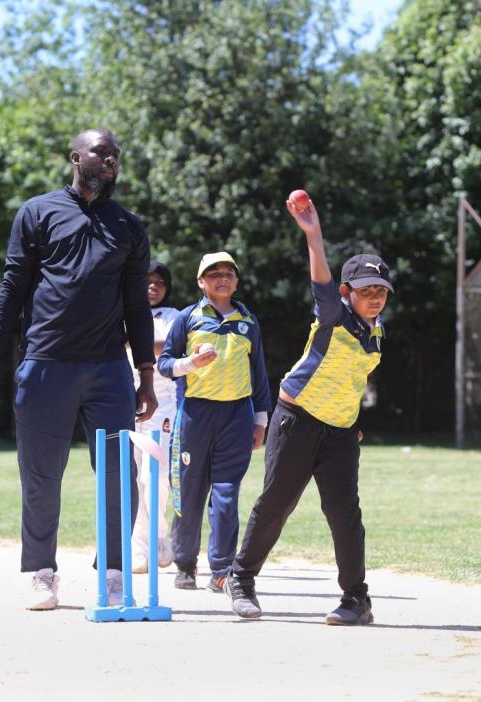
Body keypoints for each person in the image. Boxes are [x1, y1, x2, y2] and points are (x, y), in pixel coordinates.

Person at [0, 127, 157, 611]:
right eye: (102, 152)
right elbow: (13, 285)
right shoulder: (37, 212)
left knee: (118, 471)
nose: (112, 160)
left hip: (108, 369)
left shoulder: (130, 227)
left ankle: (115, 574)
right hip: (45, 363)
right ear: (77, 158)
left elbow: (138, 307)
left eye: (116, 154)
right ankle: (42, 572)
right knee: (40, 474)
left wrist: (147, 374)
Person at [224, 195, 394, 625]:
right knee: (277, 503)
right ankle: (241, 578)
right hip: (296, 420)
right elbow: (319, 275)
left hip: (338, 432)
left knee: (344, 514)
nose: (374, 299)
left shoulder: (377, 332)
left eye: (381, 292)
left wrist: (352, 422)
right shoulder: (334, 313)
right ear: (346, 292)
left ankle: (357, 599)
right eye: (365, 291)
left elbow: (354, 380)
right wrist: (313, 234)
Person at [157, 252, 271, 593]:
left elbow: (259, 374)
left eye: (228, 273)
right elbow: (164, 364)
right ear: (200, 282)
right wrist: (190, 363)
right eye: (213, 273)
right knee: (189, 493)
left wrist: (260, 420)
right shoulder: (188, 318)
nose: (222, 278)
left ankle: (221, 569)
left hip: (237, 415)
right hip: (195, 414)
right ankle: (185, 564)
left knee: (226, 494)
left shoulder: (248, 319)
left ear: (236, 280)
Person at [127, 260, 179, 574]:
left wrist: (135, 343)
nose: (153, 286)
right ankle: (138, 546)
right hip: (126, 402)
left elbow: (168, 348)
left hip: (164, 405)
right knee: (133, 479)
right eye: (147, 281)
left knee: (155, 477)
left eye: (159, 282)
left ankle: (160, 537)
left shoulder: (173, 317)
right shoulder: (123, 312)